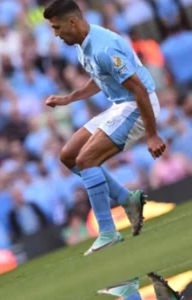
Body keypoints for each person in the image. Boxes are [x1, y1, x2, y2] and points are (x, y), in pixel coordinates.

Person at [43, 0, 166, 256]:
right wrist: (68, 98)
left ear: (72, 22)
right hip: (121, 105)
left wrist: (152, 134)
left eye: (56, 27)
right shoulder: (83, 44)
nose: (55, 34)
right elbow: (100, 79)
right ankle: (127, 199)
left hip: (137, 106)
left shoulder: (104, 47)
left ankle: (108, 232)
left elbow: (140, 90)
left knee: (86, 160)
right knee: (68, 156)